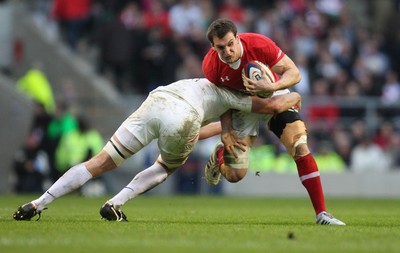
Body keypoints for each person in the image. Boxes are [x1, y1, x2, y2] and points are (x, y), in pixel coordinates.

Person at [13, 78, 301, 221]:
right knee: (164, 167)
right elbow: (275, 105)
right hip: (185, 114)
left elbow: (209, 128)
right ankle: (115, 203)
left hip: (158, 99)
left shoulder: (206, 79)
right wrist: (294, 93)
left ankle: (38, 203)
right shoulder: (237, 97)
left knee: (98, 161)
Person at [202, 18, 345, 225]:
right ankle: (220, 154)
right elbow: (223, 102)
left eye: (230, 43)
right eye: (221, 47)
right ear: (212, 47)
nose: (227, 51)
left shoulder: (258, 44)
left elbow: (294, 73)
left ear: (237, 37)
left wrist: (271, 87)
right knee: (235, 174)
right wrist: (226, 131)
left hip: (273, 94)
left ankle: (322, 213)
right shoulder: (211, 66)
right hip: (242, 106)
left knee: (299, 145)